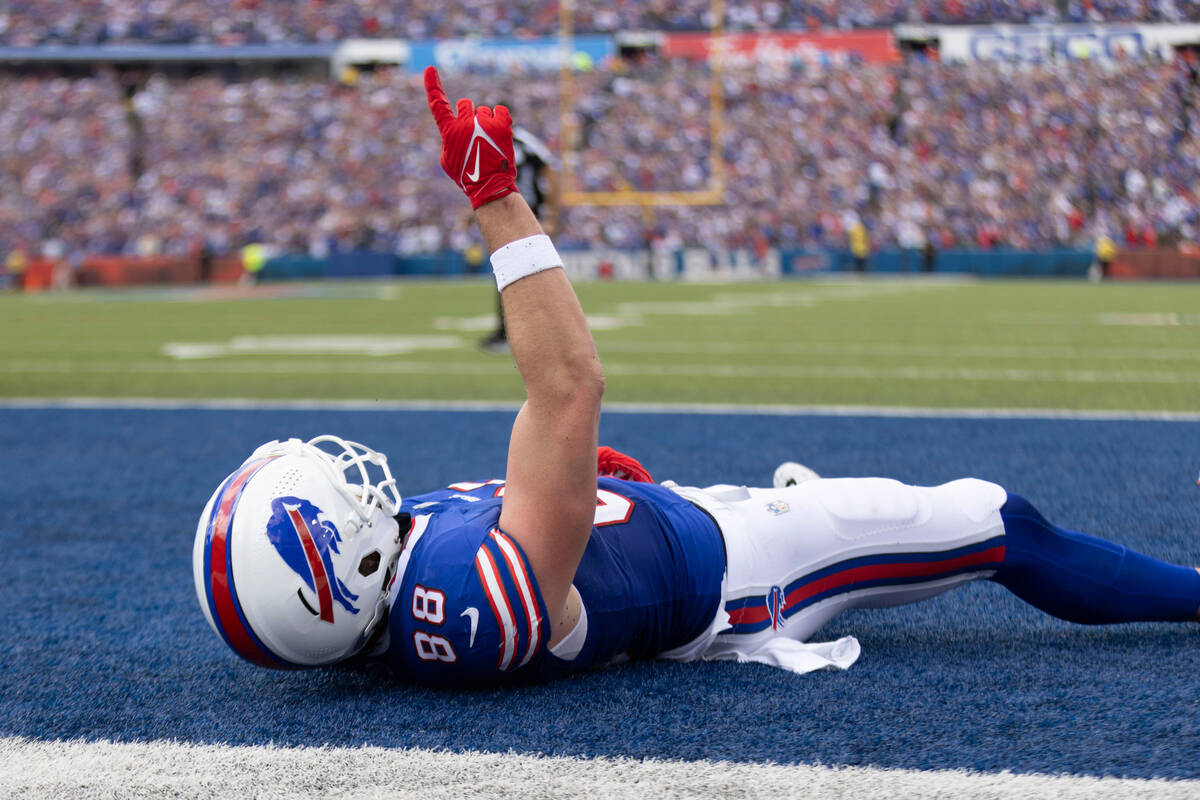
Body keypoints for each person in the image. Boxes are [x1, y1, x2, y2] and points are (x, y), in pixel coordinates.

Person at [192, 69, 1200, 688]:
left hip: (671, 521)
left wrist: (597, 490)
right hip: (743, 569)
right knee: (997, 520)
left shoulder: (380, 602)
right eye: (335, 502)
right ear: (340, 568)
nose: (356, 485)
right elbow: (567, 387)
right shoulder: (462, 598)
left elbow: (539, 490)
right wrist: (497, 202)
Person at [478, 122, 557, 354]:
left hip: (528, 216)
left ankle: (536, 333)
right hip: (505, 216)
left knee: (532, 274)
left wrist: (550, 214)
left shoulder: (525, 142)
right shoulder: (490, 144)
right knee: (504, 274)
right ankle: (507, 332)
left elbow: (550, 172)